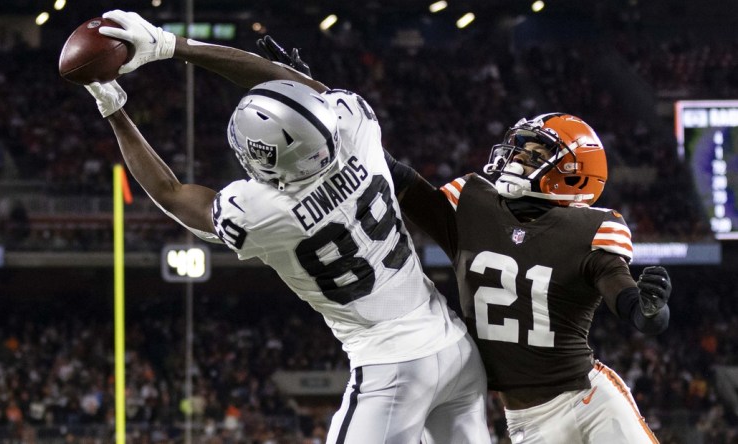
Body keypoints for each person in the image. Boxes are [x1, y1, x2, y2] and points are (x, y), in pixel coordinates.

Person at [81, 10, 491, 444]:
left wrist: (115, 111)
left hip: (392, 367)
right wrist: (172, 44)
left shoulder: (264, 210)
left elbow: (170, 192)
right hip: (456, 348)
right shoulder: (356, 126)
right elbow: (286, 80)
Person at [257, 40, 674, 443]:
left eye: (531, 154)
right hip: (526, 417)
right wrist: (321, 105)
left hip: (590, 400)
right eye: (519, 149)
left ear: (573, 174)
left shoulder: (590, 231)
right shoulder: (472, 206)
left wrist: (648, 309)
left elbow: (629, 301)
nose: (514, 158)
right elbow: (386, 167)